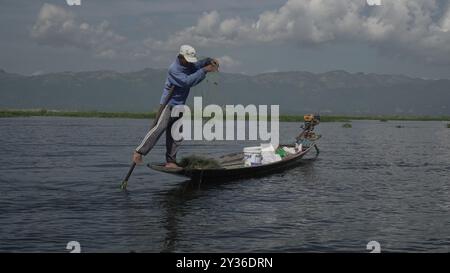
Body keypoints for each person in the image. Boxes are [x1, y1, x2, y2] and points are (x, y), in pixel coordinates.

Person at [133, 45, 218, 168]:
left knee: (176, 134)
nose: (189, 63)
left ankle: (171, 161)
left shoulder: (188, 65)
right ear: (181, 57)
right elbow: (187, 82)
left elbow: (198, 65)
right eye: (187, 60)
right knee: (159, 128)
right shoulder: (174, 69)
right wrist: (204, 70)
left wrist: (209, 61)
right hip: (168, 105)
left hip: (180, 106)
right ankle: (139, 151)